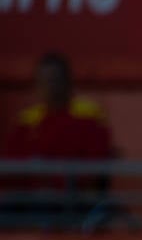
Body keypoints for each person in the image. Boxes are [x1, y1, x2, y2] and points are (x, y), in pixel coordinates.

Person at [1, 51, 116, 229]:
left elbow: (94, 168)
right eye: (43, 81)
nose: (50, 86)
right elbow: (11, 171)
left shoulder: (89, 116)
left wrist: (55, 182)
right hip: (31, 198)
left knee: (46, 210)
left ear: (68, 82)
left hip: (73, 199)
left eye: (55, 80)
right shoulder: (27, 121)